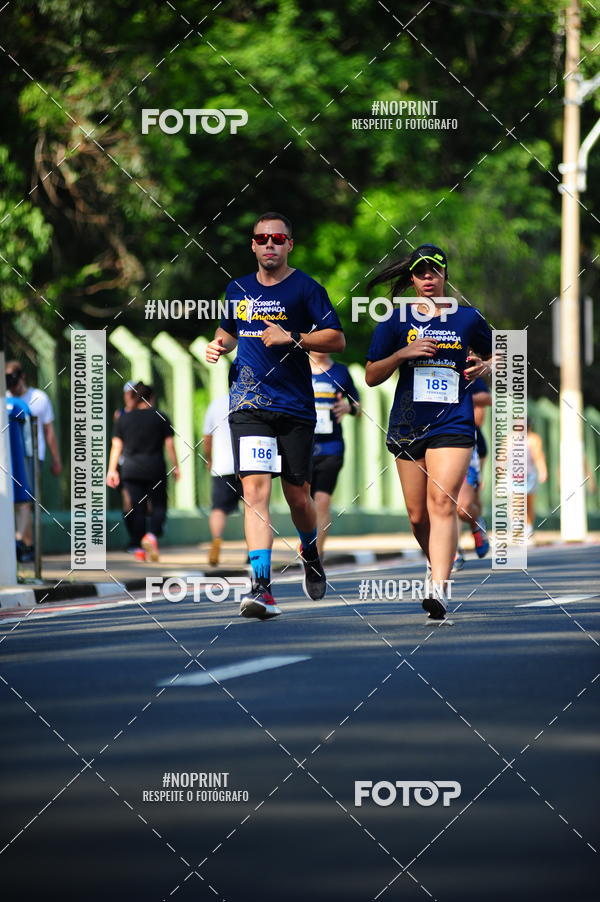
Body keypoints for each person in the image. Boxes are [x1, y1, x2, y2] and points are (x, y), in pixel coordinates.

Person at [206, 211, 345, 620]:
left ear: (289, 245)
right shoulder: (236, 289)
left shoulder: (306, 289)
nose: (270, 244)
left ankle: (310, 549)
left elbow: (336, 338)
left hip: (295, 408)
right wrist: (217, 346)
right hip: (248, 406)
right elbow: (229, 332)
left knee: (298, 496)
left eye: (278, 239)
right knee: (255, 492)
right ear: (252, 245)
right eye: (262, 238)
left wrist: (295, 337)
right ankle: (261, 586)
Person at [365, 244, 492, 619]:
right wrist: (402, 354)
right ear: (412, 279)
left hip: (453, 421)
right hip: (408, 425)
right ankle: (434, 561)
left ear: (444, 275)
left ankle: (439, 587)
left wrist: (486, 365)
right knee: (417, 515)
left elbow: (509, 351)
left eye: (434, 272)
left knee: (442, 503)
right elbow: (372, 375)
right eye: (421, 273)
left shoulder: (467, 318)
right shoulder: (395, 320)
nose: (428, 279)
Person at [106, 383, 180, 560]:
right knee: (159, 505)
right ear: (152, 397)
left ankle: (139, 547)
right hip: (155, 468)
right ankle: (151, 536)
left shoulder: (123, 419)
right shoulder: (160, 417)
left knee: (137, 508)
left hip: (131, 470)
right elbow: (169, 445)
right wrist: (176, 466)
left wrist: (111, 470)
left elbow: (116, 446)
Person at [5, 361, 63, 558]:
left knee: (25, 500)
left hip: (31, 454)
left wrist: (56, 459)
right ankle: (26, 544)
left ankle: (22, 542)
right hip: (8, 456)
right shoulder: (4, 398)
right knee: (13, 501)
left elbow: (49, 430)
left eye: (14, 378)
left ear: (22, 377)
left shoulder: (39, 398)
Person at [310, 352, 360, 558]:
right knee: (302, 501)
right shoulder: (294, 365)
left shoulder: (341, 371)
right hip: (301, 446)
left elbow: (358, 406)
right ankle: (307, 542)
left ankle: (316, 555)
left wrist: (349, 407)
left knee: (322, 501)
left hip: (331, 447)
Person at [454, 376, 491, 570]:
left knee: (466, 504)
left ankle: (477, 523)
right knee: (444, 500)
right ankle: (453, 549)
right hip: (431, 439)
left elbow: (487, 398)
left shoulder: (466, 369)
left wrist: (458, 395)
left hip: (469, 441)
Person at [202, 393, 243, 566]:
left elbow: (207, 437)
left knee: (218, 508)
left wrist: (209, 458)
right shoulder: (249, 400)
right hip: (247, 464)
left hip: (221, 465)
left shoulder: (216, 404)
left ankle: (217, 539)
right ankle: (253, 550)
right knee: (253, 508)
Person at [5, 390, 33, 562]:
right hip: (19, 460)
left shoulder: (16, 405)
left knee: (23, 502)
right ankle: (18, 541)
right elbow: (30, 436)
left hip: (17, 460)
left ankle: (19, 543)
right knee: (23, 503)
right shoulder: (17, 405)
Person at [526, 417, 547, 540]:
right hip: (514, 476)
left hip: (530, 475)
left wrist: (543, 471)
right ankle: (518, 525)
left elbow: (539, 456)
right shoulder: (509, 439)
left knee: (529, 502)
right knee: (516, 501)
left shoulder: (534, 439)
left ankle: (528, 527)